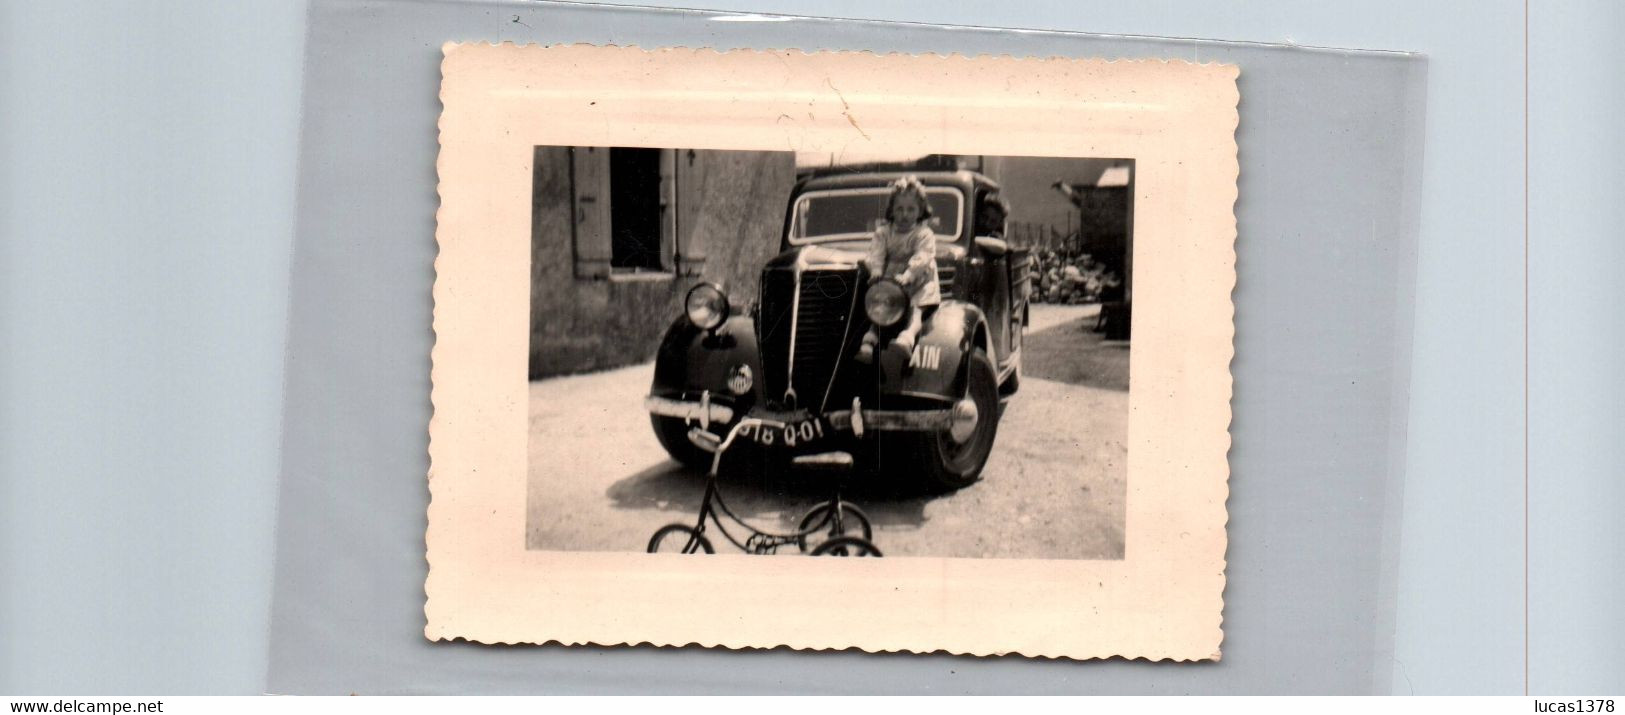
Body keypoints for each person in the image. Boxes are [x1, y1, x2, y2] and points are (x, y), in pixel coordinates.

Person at [857, 176, 940, 363]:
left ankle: (907, 338)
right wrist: (877, 272)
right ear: (892, 211)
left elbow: (923, 257)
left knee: (915, 309)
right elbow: (876, 254)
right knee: (880, 308)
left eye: (911, 209)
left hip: (918, 280)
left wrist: (909, 274)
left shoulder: (923, 234)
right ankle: (869, 342)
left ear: (920, 211)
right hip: (891, 281)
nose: (904, 214)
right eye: (899, 209)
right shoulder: (884, 233)